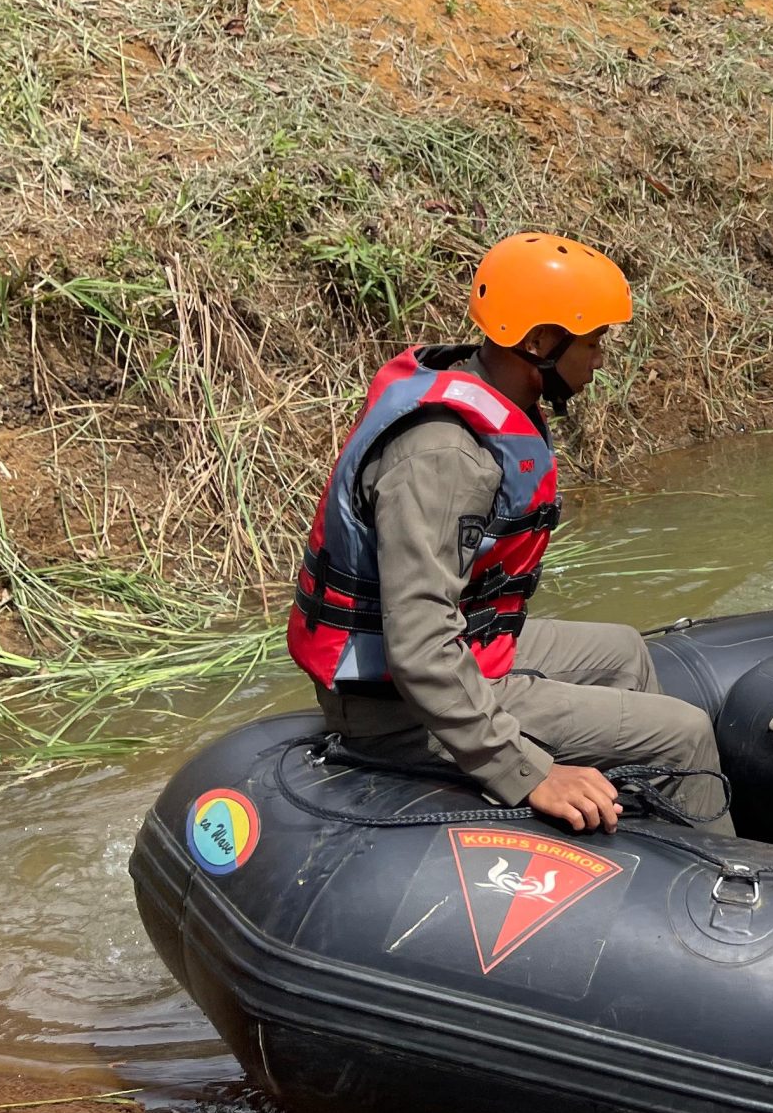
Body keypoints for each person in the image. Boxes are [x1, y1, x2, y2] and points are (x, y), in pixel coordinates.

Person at [289, 234, 728, 834]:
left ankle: (635, 830)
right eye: (593, 341)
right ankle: (729, 878)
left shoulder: (492, 399)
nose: (601, 359)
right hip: (393, 710)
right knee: (685, 733)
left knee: (624, 650)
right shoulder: (444, 457)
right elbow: (420, 648)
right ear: (539, 342)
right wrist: (527, 772)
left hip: (466, 646)